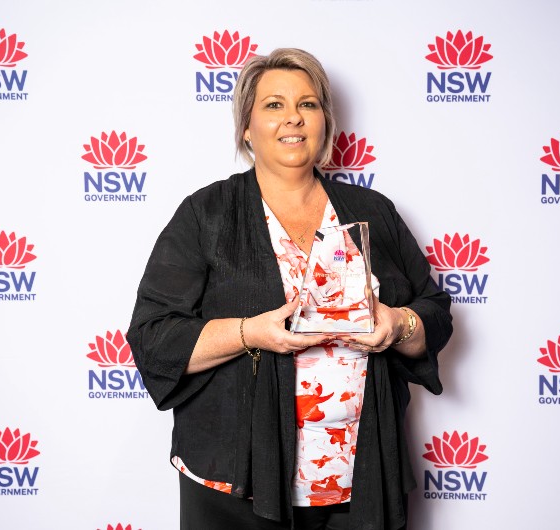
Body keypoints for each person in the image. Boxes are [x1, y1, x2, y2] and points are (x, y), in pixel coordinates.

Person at [127, 48, 453, 530]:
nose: (293, 118)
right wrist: (250, 333)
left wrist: (399, 323)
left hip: (358, 481)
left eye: (308, 104)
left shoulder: (374, 211)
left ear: (324, 121)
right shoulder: (206, 214)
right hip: (237, 483)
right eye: (274, 105)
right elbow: (154, 338)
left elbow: (434, 312)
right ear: (246, 127)